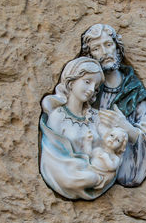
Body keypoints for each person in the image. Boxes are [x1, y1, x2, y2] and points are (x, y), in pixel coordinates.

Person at [79, 24, 146, 187]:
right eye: (96, 48)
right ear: (90, 55)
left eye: (108, 45)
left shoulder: (133, 89)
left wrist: (126, 127)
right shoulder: (87, 89)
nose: (105, 52)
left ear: (117, 47)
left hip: (121, 164)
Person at [40, 57, 119, 200]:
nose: (90, 90)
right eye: (87, 81)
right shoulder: (58, 116)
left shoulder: (96, 118)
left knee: (97, 175)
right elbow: (52, 156)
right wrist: (84, 167)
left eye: (95, 87)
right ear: (71, 81)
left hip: (95, 173)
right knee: (84, 178)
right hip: (69, 173)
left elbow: (112, 147)